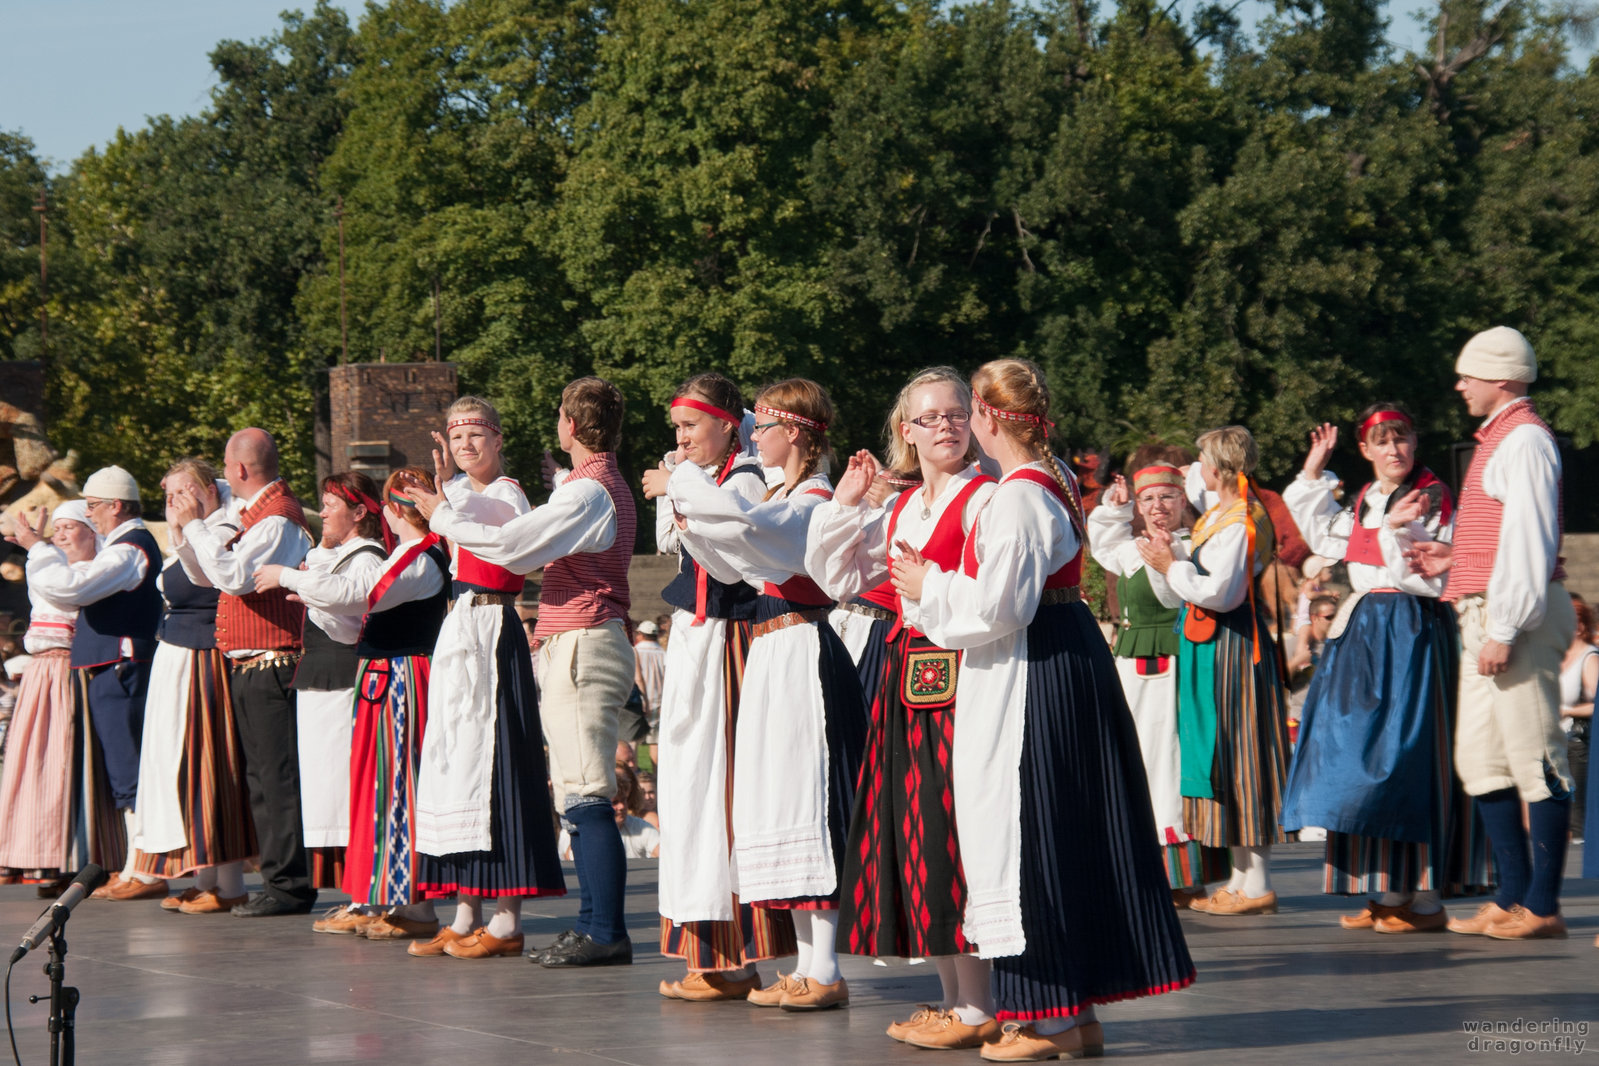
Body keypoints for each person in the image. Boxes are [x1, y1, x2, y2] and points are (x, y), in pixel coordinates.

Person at [892, 359, 1193, 1061]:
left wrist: (929, 583)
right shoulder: (1047, 479)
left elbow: (999, 607)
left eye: (970, 410)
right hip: (1055, 654)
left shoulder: (1018, 496)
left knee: (1029, 833)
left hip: (1034, 666)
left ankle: (1046, 1016)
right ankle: (1072, 1016)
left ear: (990, 418)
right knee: (1054, 827)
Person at [410, 378, 633, 966]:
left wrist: (443, 514)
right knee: (576, 794)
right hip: (568, 636)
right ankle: (592, 925)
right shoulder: (584, 487)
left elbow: (511, 546)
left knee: (585, 792)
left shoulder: (589, 492)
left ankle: (605, 929)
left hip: (584, 636)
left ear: (570, 425)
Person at [806, 366, 998, 1046]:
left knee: (952, 832)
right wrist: (848, 504)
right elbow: (836, 580)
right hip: (907, 675)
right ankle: (952, 998)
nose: (944, 426)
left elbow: (991, 598)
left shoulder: (985, 498)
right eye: (929, 417)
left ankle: (977, 1003)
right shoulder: (905, 506)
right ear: (905, 431)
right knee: (917, 832)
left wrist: (931, 583)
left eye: (955, 413)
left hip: (963, 677)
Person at [665, 378, 868, 1012]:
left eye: (765, 427)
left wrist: (680, 480)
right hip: (772, 652)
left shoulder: (809, 498)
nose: (755, 436)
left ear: (796, 433)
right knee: (777, 802)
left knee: (809, 798)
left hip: (805, 646)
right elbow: (734, 562)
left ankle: (827, 966)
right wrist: (690, 521)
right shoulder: (783, 491)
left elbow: (748, 525)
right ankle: (807, 962)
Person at [1281, 407, 1492, 933]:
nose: (1394, 450)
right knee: (1356, 754)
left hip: (1409, 628)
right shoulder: (1367, 498)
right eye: (1383, 442)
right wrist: (1313, 470)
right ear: (1367, 450)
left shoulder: (1431, 495)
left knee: (1404, 755)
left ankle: (1419, 898)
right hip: (1369, 629)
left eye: (1401, 440)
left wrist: (1392, 538)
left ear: (1415, 443)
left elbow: (1424, 575)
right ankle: (1383, 888)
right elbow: (1323, 535)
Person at [1404, 327, 1576, 939]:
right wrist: (1455, 558)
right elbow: (1505, 537)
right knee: (1481, 759)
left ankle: (1544, 905)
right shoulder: (1501, 439)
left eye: (1469, 375)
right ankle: (1509, 894)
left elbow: (1531, 542)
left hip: (1515, 618)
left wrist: (1504, 627)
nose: (1460, 385)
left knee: (1536, 757)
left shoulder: (1523, 439)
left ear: (1501, 377)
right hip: (1487, 609)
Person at [639, 372, 795, 1001]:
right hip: (700, 639)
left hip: (734, 642)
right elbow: (668, 543)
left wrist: (679, 486)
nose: (680, 439)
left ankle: (746, 955)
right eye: (676, 428)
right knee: (692, 792)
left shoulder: (746, 477)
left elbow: (731, 562)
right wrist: (675, 492)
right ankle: (715, 956)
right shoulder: (704, 478)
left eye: (690, 426)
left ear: (728, 424)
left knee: (727, 792)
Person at [397, 396, 566, 961]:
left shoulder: (506, 493)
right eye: (455, 437)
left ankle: (506, 917)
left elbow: (488, 532)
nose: (465, 446)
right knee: (455, 767)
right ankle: (465, 909)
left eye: (475, 436)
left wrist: (444, 497)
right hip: (461, 624)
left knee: (495, 767)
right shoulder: (464, 495)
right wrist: (443, 494)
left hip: (493, 625)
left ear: (497, 439)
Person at [261, 467, 451, 942]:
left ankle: (416, 906)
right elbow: (353, 611)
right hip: (386, 677)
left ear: (390, 509)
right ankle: (399, 900)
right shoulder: (407, 553)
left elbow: (360, 595)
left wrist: (291, 577)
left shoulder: (418, 556)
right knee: (382, 793)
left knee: (399, 791)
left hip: (402, 676)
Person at [1138, 426, 1293, 916]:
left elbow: (1220, 593)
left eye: (1202, 461)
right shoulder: (1223, 516)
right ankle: (1244, 879)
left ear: (1217, 468)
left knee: (1243, 757)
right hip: (1215, 647)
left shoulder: (1239, 520)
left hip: (1233, 647)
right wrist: (1174, 556)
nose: (1195, 470)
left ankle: (1257, 882)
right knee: (1223, 757)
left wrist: (1171, 565)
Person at [170, 429, 315, 917]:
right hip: (254, 663)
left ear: (238, 471)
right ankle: (278, 880)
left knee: (277, 777)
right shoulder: (252, 518)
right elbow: (204, 575)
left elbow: (235, 579)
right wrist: (187, 531)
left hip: (275, 661)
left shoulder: (276, 520)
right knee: (261, 777)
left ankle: (288, 885)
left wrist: (196, 528)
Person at [16, 466, 165, 899]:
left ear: (116, 506)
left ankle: (147, 869)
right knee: (123, 770)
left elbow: (70, 587)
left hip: (120, 665)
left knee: (130, 766)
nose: (91, 515)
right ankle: (135, 866)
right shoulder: (120, 547)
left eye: (94, 506)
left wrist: (36, 549)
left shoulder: (129, 550)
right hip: (106, 666)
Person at [1089, 461, 1229, 909]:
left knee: (1169, 762)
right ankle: (1146, 870)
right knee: (1140, 762)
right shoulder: (1134, 547)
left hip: (1170, 666)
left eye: (1166, 497)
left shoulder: (1191, 546)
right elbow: (1103, 545)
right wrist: (1114, 509)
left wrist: (1166, 560)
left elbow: (1178, 596)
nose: (1157, 506)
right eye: (1147, 499)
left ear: (1182, 500)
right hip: (1131, 669)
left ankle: (1184, 876)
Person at [133, 459, 256, 913]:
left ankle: (228, 883)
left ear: (210, 490)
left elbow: (204, 579)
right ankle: (203, 874)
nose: (176, 503)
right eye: (169, 495)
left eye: (184, 492)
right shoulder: (193, 528)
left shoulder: (226, 526)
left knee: (209, 764)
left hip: (207, 655)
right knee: (178, 766)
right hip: (178, 654)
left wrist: (188, 527)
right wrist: (180, 528)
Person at [289, 473, 389, 927]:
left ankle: (369, 898)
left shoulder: (368, 557)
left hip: (346, 680)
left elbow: (351, 615)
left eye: (332, 504)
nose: (323, 511)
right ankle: (357, 896)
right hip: (322, 680)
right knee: (329, 792)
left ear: (360, 513)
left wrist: (306, 587)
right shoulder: (333, 556)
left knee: (350, 791)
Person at [0, 501, 98, 885]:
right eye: (56, 528)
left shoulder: (91, 571)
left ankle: (59, 857)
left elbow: (64, 591)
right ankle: (22, 853)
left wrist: (35, 546)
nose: (59, 535)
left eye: (69, 527)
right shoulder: (51, 565)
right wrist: (36, 546)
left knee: (58, 764)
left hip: (67, 670)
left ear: (91, 532)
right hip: (41, 670)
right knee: (27, 764)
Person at [1560, 594, 1595, 842]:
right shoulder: (1556, 654)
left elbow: (1597, 706)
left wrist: (1568, 711)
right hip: (1553, 740)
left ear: (1580, 625)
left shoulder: (1589, 657)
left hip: (1577, 743)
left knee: (1577, 814)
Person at [632, 619, 665, 765]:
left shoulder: (636, 651)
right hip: (660, 701)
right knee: (655, 742)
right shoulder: (664, 653)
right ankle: (655, 779)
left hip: (639, 700)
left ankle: (633, 777)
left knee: (632, 740)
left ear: (640, 634)